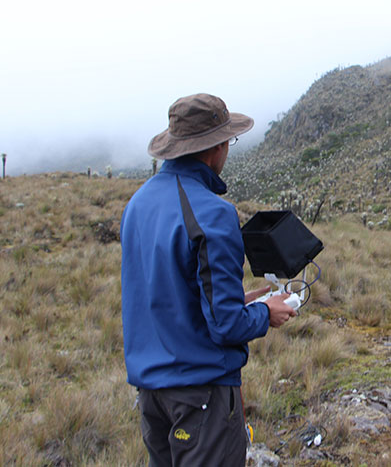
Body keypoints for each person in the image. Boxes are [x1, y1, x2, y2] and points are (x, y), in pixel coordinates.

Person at [120, 93, 297, 466]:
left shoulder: (137, 204)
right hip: (201, 394)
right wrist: (268, 314)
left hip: (151, 393)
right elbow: (227, 326)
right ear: (215, 147)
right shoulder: (213, 213)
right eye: (228, 141)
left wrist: (238, 298)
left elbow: (163, 291)